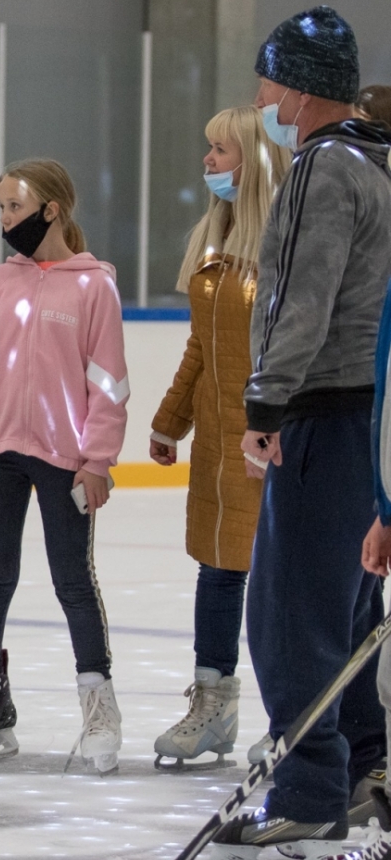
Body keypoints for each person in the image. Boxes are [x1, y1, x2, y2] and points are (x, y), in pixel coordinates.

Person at [210, 7, 391, 856]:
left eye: (267, 82)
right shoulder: (381, 161)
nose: (261, 100)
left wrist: (266, 406)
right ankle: (366, 770)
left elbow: (298, 296)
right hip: (372, 419)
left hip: (321, 412)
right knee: (350, 612)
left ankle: (311, 792)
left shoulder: (323, 168)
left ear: (299, 85)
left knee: (289, 617)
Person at [0, 157, 128, 776]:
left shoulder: (94, 286)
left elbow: (109, 384)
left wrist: (96, 459)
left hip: (63, 460)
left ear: (53, 209)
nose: (6, 219)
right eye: (3, 207)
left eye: (15, 207)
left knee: (73, 580)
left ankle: (100, 709)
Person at [149, 106, 291, 770]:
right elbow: (200, 352)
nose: (207, 161)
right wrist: (168, 420)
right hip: (216, 450)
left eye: (221, 151)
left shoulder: (285, 249)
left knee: (280, 586)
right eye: (208, 149)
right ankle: (214, 707)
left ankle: (292, 719)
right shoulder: (213, 246)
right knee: (217, 572)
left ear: (256, 163)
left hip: (274, 448)